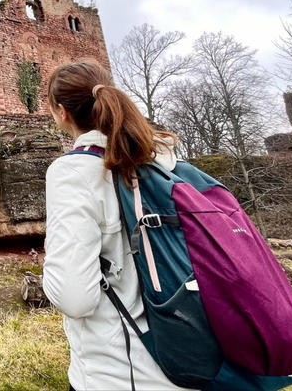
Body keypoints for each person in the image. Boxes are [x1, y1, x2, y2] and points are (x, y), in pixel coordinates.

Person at [42, 60, 191, 391]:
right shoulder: (168, 164)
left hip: (120, 374)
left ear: (62, 113)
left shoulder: (73, 172)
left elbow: (74, 297)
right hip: (194, 356)